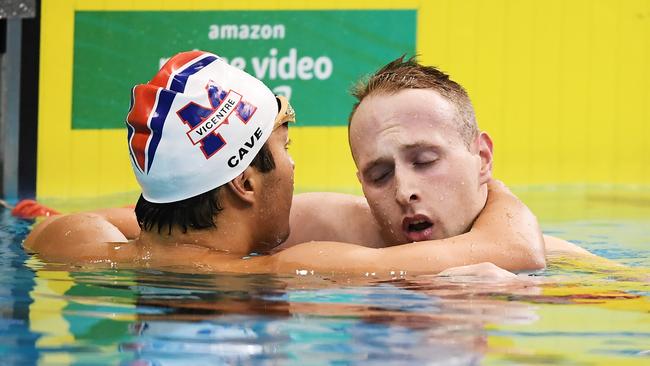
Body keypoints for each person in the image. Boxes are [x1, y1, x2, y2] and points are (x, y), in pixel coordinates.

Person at [23, 51, 547, 276]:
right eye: (285, 148)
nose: (294, 168)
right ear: (246, 181)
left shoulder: (71, 244)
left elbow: (140, 218)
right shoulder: (298, 268)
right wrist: (491, 184)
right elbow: (516, 249)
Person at [282, 56, 593, 258]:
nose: (404, 192)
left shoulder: (560, 263)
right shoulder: (341, 231)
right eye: (380, 176)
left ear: (482, 158)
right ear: (362, 184)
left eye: (425, 161)